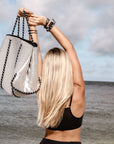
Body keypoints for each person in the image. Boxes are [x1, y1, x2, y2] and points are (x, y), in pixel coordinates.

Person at [18, 7, 86, 144]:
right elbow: (69, 48)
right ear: (67, 68)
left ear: (47, 69)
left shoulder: (42, 91)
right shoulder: (78, 91)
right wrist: (46, 23)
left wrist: (31, 25)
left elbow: (36, 53)